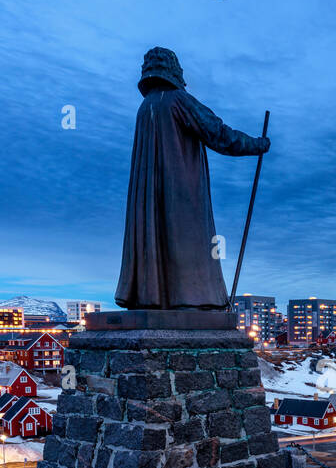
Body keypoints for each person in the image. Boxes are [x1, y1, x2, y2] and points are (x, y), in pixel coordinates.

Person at [116, 47, 270, 310]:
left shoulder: (146, 107)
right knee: (187, 238)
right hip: (180, 190)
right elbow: (219, 134)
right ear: (173, 69)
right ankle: (192, 298)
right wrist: (257, 145)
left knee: (156, 235)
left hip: (152, 195)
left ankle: (154, 297)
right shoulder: (177, 100)